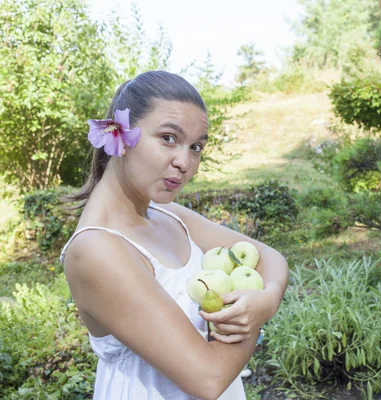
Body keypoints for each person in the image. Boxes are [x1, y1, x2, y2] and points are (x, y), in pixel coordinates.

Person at [59, 70, 289, 400]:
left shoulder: (171, 216)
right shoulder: (96, 250)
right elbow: (208, 378)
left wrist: (265, 301)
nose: (185, 162)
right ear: (121, 136)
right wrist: (253, 324)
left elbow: (269, 257)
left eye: (196, 147)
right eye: (168, 138)